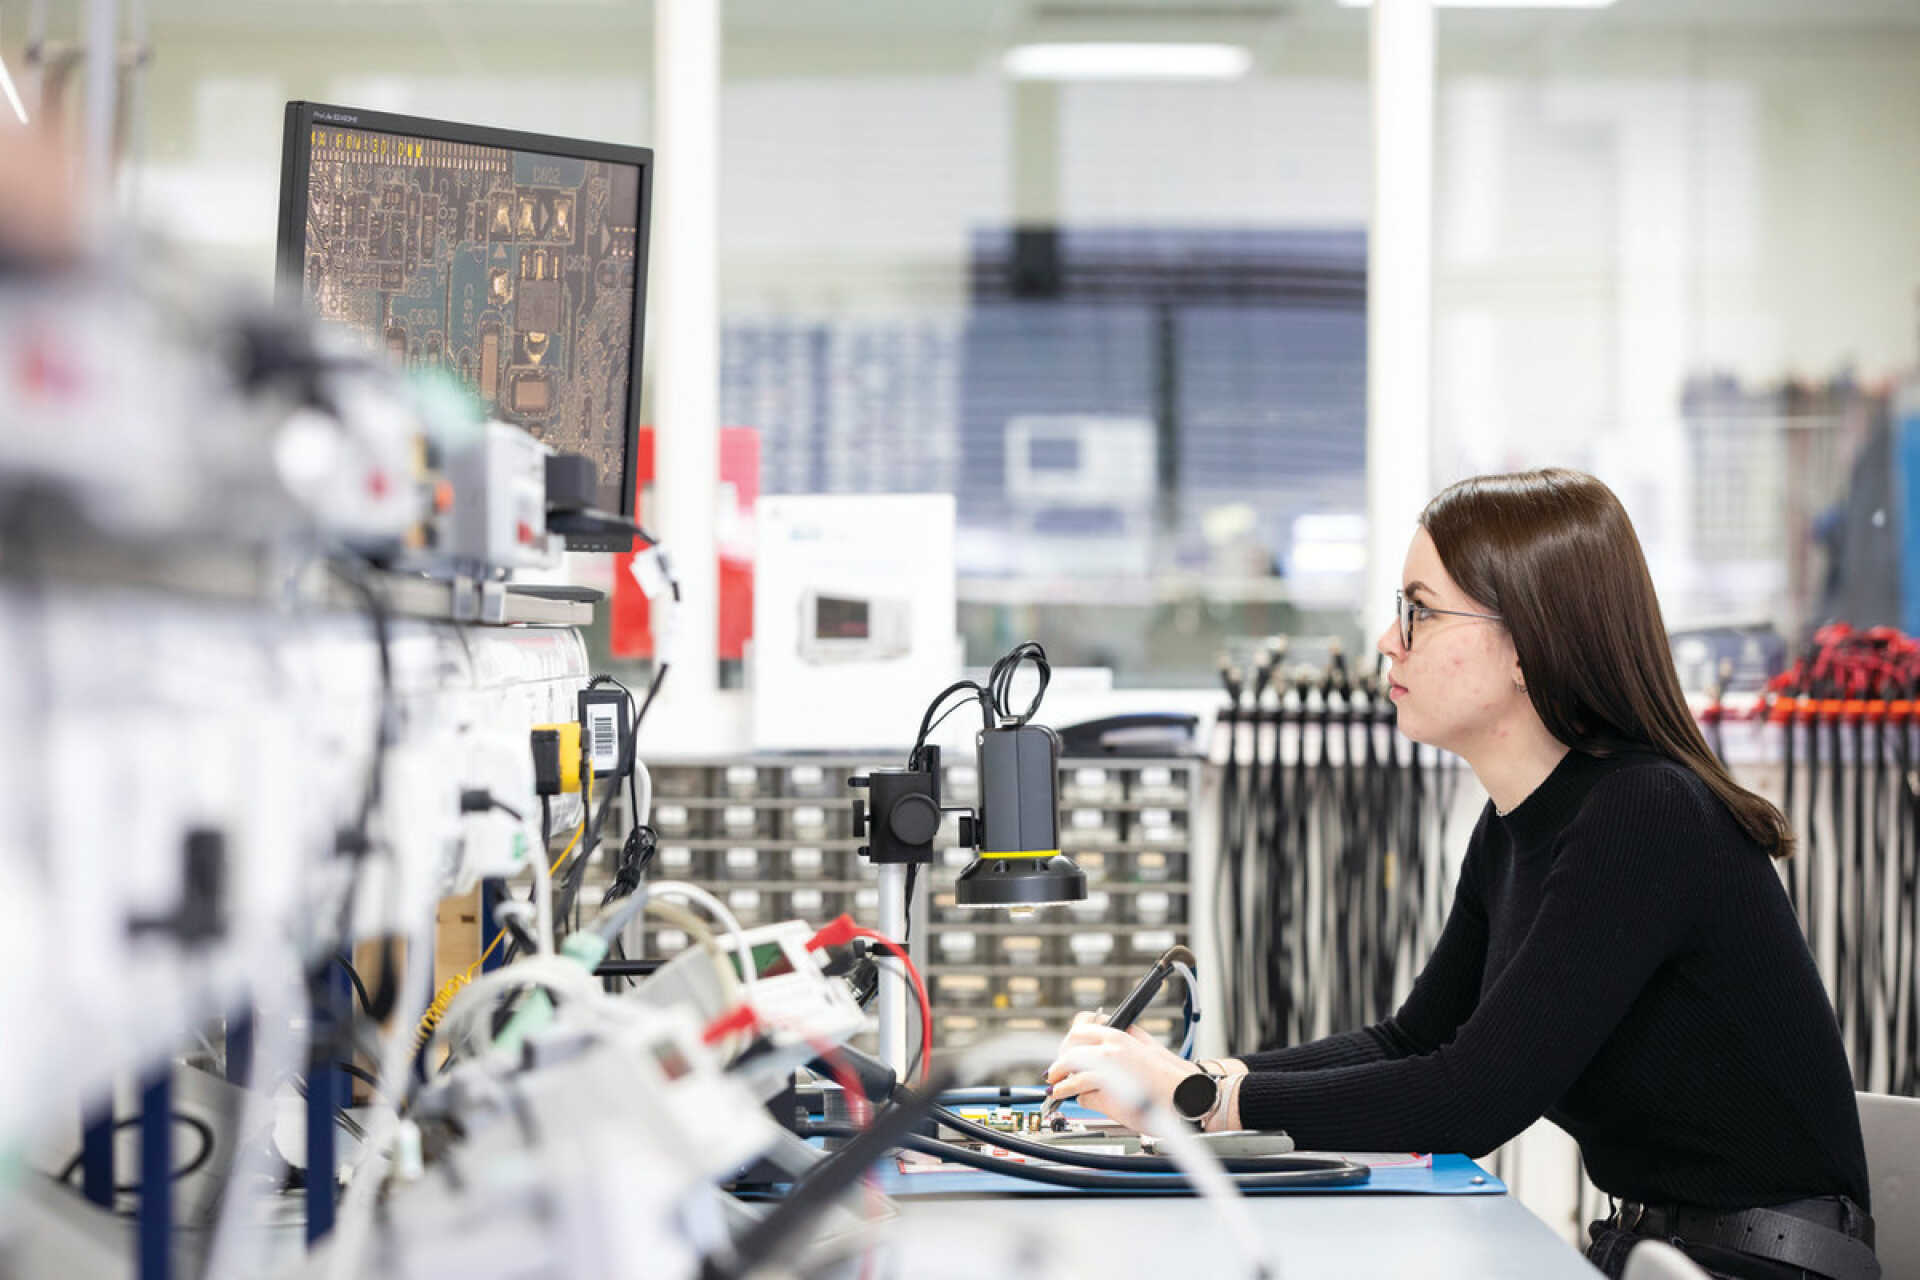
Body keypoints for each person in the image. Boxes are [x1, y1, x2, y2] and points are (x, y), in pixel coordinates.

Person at [1046, 468, 1878, 1280]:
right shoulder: (1520, 821)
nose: (1387, 641)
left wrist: (1197, 1098)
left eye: (1419, 611)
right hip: (1664, 1252)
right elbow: (1415, 1041)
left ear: (1527, 643)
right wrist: (1214, 1077)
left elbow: (1472, 1098)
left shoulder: (1644, 814)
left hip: (1755, 1266)